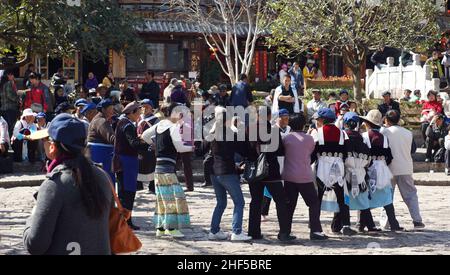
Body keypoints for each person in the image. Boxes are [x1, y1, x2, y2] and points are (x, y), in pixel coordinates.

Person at [23, 114, 113, 255]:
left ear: (52, 146)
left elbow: (35, 244)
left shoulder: (55, 185)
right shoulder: (102, 176)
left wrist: (33, 216)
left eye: (45, 139)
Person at [142, 103, 192, 238]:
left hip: (158, 167)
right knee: (173, 198)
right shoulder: (173, 127)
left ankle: (161, 228)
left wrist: (155, 145)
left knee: (161, 198)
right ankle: (171, 228)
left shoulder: (160, 124)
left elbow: (145, 136)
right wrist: (190, 147)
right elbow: (179, 147)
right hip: (168, 169)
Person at [202, 106, 252, 242]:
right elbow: (245, 150)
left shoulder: (212, 133)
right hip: (226, 171)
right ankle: (236, 232)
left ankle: (214, 231)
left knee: (221, 203)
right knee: (239, 202)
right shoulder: (231, 133)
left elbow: (202, 149)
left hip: (213, 172)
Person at [247, 107, 292, 242]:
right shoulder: (273, 130)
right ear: (268, 116)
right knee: (281, 201)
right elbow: (279, 150)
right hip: (271, 171)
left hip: (255, 170)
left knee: (255, 201)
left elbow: (245, 149)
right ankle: (284, 232)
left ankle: (254, 231)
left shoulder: (249, 130)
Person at [281, 114, 328, 240]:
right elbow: (310, 152)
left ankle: (285, 232)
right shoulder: (309, 139)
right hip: (304, 176)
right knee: (313, 203)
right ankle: (315, 230)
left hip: (289, 175)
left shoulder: (286, 138)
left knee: (289, 205)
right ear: (303, 124)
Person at [312, 108, 357, 235]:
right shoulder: (343, 134)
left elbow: (313, 153)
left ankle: (315, 225)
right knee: (341, 198)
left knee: (318, 197)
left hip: (322, 167)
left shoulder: (317, 133)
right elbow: (347, 152)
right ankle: (346, 225)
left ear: (322, 120)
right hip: (338, 167)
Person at [359, 110, 403, 232]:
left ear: (367, 123)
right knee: (386, 197)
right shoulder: (384, 138)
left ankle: (364, 224)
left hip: (368, 167)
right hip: (382, 167)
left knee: (365, 196)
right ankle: (393, 223)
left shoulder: (364, 137)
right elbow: (389, 156)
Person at [381, 110, 425, 229]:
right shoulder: (407, 133)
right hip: (405, 167)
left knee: (387, 196)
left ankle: (386, 222)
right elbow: (413, 150)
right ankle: (417, 220)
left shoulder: (384, 132)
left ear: (386, 120)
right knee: (411, 195)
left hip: (389, 168)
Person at [113, 102, 149, 231]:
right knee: (127, 193)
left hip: (125, 161)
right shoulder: (127, 125)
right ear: (132, 113)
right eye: (138, 113)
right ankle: (125, 222)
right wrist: (148, 146)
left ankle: (126, 221)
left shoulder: (123, 123)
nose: (139, 115)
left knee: (125, 193)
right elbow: (133, 144)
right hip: (126, 162)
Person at [341, 112, 379, 233]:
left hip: (345, 173)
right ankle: (370, 225)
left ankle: (337, 225)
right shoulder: (362, 138)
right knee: (363, 200)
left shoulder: (342, 138)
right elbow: (369, 159)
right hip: (360, 173)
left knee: (343, 200)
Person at [261, 109, 291, 220]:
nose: (285, 120)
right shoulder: (273, 129)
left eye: (287, 118)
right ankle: (263, 210)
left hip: (287, 159)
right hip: (275, 159)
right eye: (282, 117)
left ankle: (286, 210)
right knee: (270, 186)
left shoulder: (290, 129)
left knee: (286, 185)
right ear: (277, 118)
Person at [87, 99, 116, 181]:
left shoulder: (99, 119)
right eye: (111, 109)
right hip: (100, 153)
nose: (113, 111)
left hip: (99, 152)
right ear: (103, 110)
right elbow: (112, 138)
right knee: (104, 179)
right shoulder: (101, 121)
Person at [137, 99, 159, 194]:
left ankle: (152, 186)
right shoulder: (138, 118)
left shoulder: (155, 120)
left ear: (151, 108)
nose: (144, 109)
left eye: (147, 106)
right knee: (139, 165)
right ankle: (138, 185)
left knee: (151, 165)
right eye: (143, 107)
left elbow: (157, 132)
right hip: (139, 145)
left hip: (150, 145)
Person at [0, 70, 19, 137]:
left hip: (3, 108)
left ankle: (5, 142)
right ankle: (11, 142)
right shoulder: (8, 83)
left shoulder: (1, 84)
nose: (13, 76)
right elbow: (10, 95)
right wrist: (18, 100)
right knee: (11, 126)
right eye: (12, 75)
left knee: (5, 126)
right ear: (8, 75)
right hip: (10, 108)